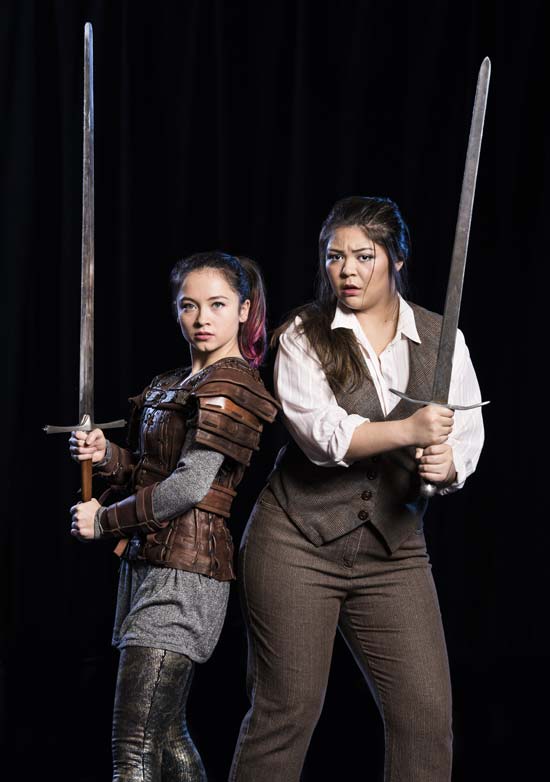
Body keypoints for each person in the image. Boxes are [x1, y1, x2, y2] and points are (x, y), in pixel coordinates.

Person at [230, 197, 484, 782]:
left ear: (396, 258)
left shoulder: (443, 339)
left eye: (363, 256)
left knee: (426, 720)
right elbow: (324, 438)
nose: (345, 270)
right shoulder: (303, 334)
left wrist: (446, 465)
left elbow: (466, 436)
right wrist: (411, 431)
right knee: (286, 713)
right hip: (295, 544)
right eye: (334, 256)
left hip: (393, 552)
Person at [69, 251, 279, 782]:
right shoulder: (173, 382)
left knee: (133, 750)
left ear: (243, 310)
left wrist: (104, 521)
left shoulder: (232, 386)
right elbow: (151, 472)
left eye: (217, 304)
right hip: (148, 564)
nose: (202, 318)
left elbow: (189, 487)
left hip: (187, 572)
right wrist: (106, 455)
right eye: (189, 305)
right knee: (164, 736)